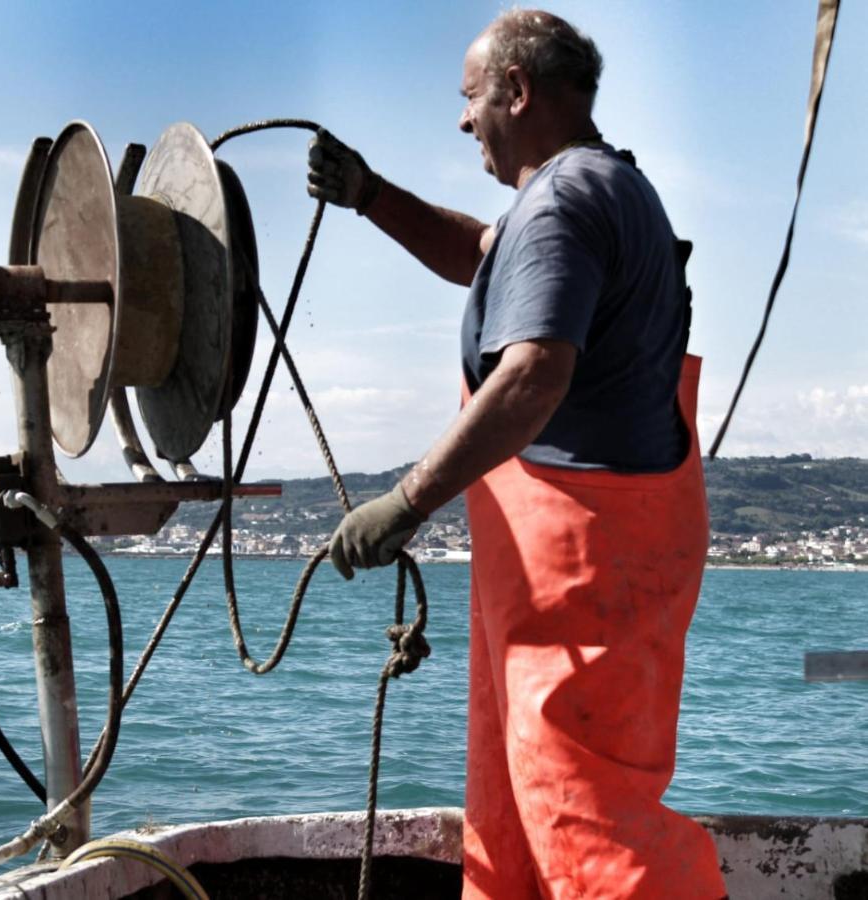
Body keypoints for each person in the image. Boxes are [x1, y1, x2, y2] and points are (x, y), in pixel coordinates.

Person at [310, 9, 727, 899]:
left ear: (515, 88)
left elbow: (532, 376)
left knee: (590, 824)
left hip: (584, 560)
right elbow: (477, 252)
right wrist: (371, 194)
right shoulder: (589, 190)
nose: (463, 121)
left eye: (470, 98)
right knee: (515, 811)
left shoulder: (564, 203)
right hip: (570, 557)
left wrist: (407, 501)